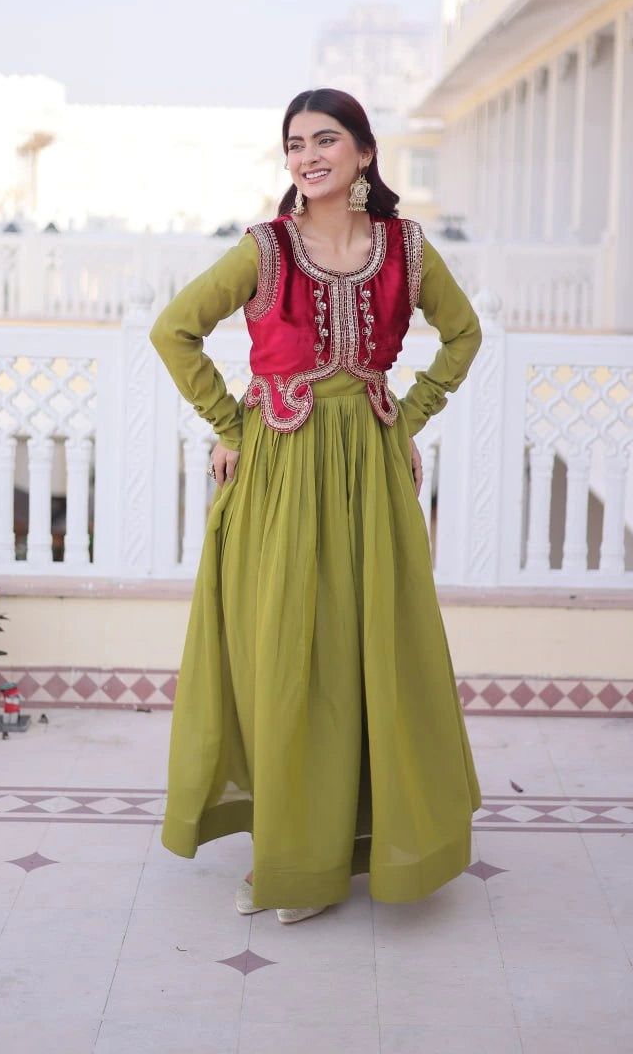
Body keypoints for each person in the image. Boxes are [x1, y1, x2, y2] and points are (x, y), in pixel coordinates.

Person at [150, 88, 482, 925]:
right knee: (286, 658)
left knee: (370, 651)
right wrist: (232, 421)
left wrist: (406, 416)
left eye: (325, 139)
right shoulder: (264, 249)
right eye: (294, 143)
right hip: (281, 469)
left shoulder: (405, 247)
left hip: (367, 471)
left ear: (365, 152)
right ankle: (290, 861)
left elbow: (463, 334)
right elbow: (172, 330)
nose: (307, 155)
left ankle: (359, 841)